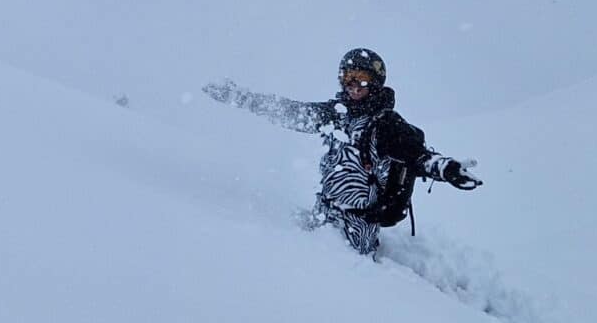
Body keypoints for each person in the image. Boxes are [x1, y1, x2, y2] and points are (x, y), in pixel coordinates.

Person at [203, 48, 482, 256]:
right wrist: (240, 98)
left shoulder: (385, 123)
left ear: (375, 82)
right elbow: (291, 112)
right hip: (323, 215)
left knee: (337, 292)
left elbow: (417, 156)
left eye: (360, 79)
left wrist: (446, 168)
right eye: (347, 78)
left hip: (356, 230)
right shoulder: (336, 114)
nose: (352, 86)